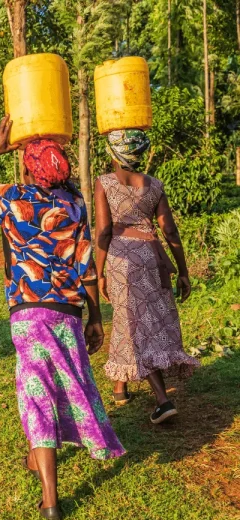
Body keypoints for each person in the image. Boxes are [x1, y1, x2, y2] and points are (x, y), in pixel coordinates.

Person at [0, 116, 125, 520]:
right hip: (68, 310)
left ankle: (50, 498)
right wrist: (96, 317)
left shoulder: (11, 197)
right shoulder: (75, 202)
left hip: (27, 313)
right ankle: (37, 457)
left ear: (28, 166)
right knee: (65, 385)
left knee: (37, 393)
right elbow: (86, 264)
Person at [95, 129, 199, 423]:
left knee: (132, 324)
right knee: (140, 320)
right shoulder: (154, 185)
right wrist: (183, 271)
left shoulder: (104, 183)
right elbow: (169, 230)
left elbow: (103, 231)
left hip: (121, 260)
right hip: (152, 258)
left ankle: (163, 400)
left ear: (112, 154)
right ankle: (120, 384)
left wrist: (98, 271)